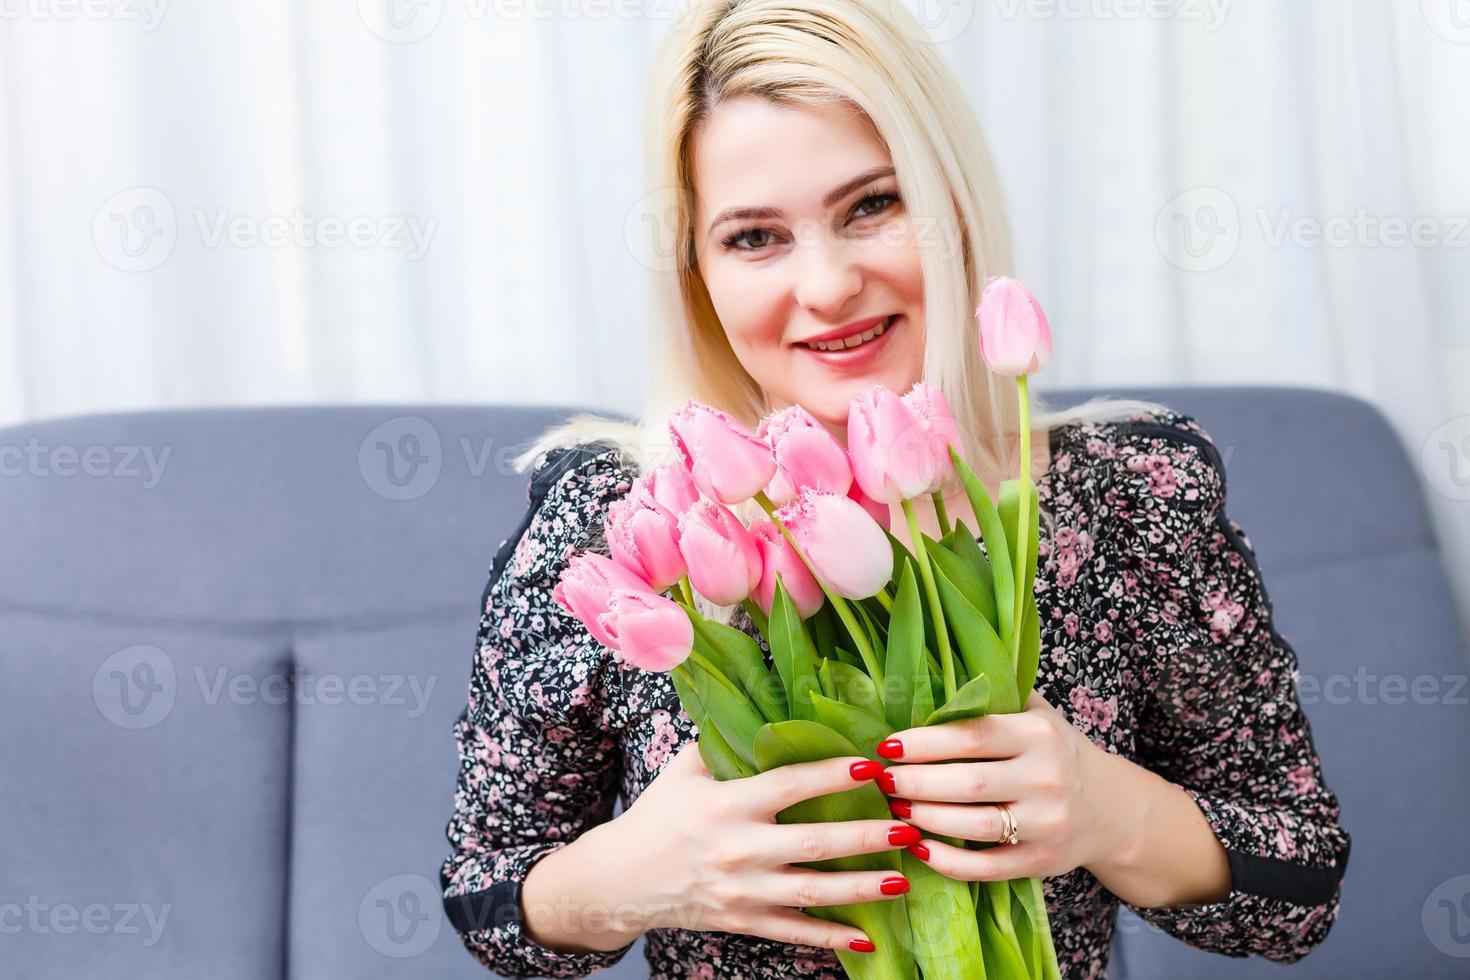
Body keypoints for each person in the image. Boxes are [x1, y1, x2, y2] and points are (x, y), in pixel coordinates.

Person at [439, 0, 1351, 976]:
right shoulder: (621, 523)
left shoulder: (1126, 493)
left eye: (872, 205)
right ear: (695, 270)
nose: (828, 285)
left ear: (954, 205)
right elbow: (490, 894)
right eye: (754, 237)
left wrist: (1107, 809)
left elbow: (1296, 885)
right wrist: (632, 875)